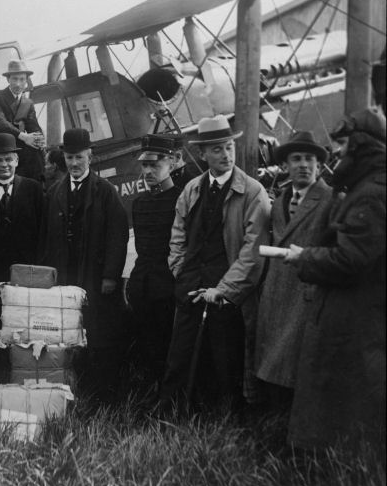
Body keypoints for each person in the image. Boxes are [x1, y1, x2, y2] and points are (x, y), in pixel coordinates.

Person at [283, 108, 386, 451]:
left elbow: (351, 259)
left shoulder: (370, 194)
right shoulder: (368, 187)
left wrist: (305, 257)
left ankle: (329, 461)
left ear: (361, 145)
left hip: (354, 311)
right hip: (359, 309)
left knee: (341, 387)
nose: (338, 152)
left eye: (342, 144)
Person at [159, 115, 270, 410]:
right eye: (218, 149)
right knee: (179, 356)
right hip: (191, 284)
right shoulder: (192, 190)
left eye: (229, 147)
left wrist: (224, 290)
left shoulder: (252, 192)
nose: (226, 155)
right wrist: (181, 272)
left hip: (228, 293)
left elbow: (253, 251)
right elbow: (178, 235)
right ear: (202, 153)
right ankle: (172, 416)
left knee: (227, 360)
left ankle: (229, 422)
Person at [40, 128, 129, 405]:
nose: (74, 164)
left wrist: (110, 276)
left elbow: (118, 235)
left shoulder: (105, 192)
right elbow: (46, 236)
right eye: (69, 158)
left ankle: (104, 396)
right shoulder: (55, 192)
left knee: (98, 334)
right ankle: (73, 393)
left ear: (89, 156)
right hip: (66, 277)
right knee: (68, 335)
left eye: (79, 157)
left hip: (94, 276)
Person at [254, 132, 333, 411]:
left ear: (320, 166)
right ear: (285, 166)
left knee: (300, 369)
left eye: (310, 159)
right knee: (276, 365)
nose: (304, 165)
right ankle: (275, 422)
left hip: (309, 295)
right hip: (277, 295)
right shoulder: (279, 201)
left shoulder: (332, 200)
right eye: (296, 159)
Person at [0, 133, 45, 379]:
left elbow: (43, 232)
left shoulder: (34, 189)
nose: (4, 164)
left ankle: (26, 375)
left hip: (28, 273)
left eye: (8, 159)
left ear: (17, 160)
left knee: (26, 324)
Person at [127, 134, 181, 382]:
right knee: (145, 345)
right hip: (143, 287)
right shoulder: (139, 203)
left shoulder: (180, 200)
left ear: (171, 163)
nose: (148, 171)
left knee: (169, 346)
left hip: (169, 287)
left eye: (155, 165)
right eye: (145, 165)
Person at [0, 60, 45, 181]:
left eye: (22, 79)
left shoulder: (28, 103)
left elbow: (33, 125)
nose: (18, 84)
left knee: (37, 156)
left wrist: (39, 139)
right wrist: (24, 136)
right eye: (15, 79)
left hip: (16, 149)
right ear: (8, 79)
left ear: (26, 81)